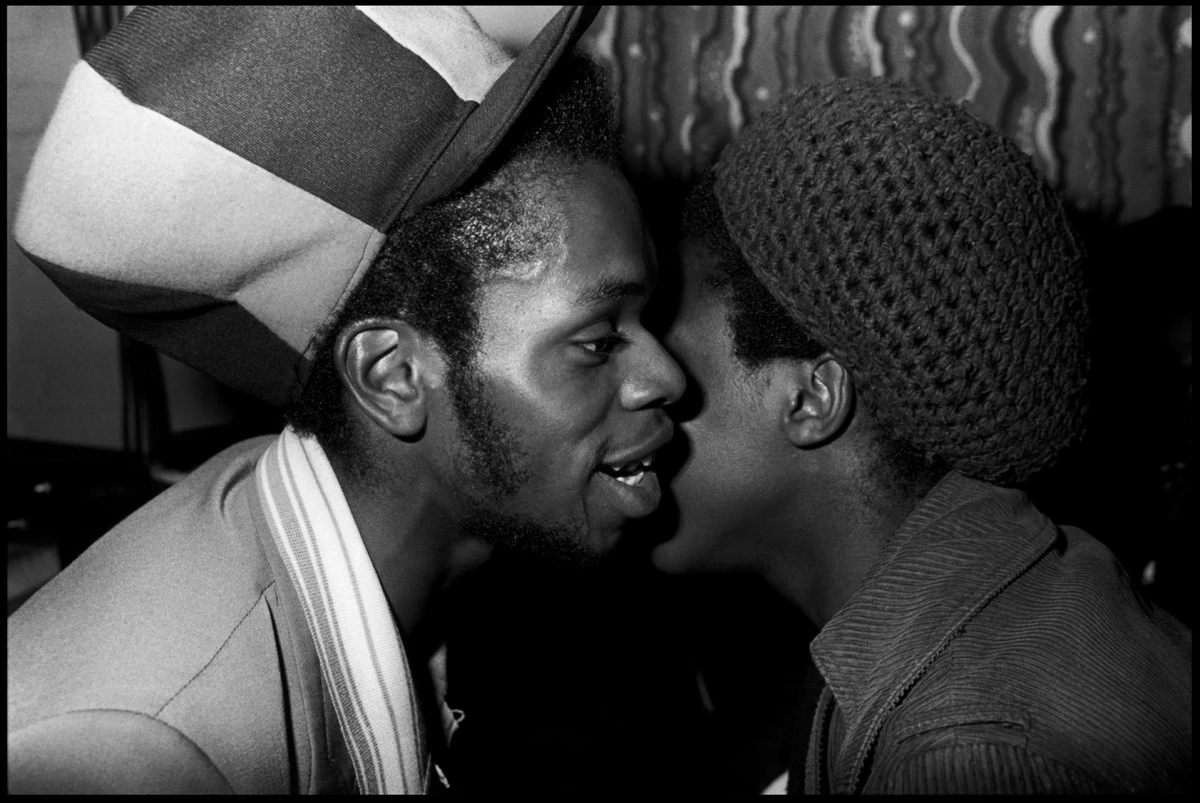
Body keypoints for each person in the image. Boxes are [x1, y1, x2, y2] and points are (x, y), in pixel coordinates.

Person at [8, 6, 682, 794]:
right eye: (598, 340)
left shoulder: (394, 554)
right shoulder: (145, 752)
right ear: (393, 376)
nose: (667, 375)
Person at [653, 78, 1192, 793]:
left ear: (812, 399)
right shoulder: (935, 632)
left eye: (668, 350)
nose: (636, 391)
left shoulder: (966, 753)